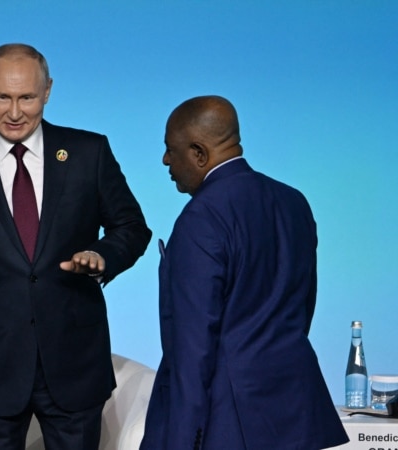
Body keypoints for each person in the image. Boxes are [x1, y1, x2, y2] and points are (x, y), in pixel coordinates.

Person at [0, 43, 151, 450]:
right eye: (2, 97)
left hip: (75, 359)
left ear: (48, 91)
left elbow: (131, 226)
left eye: (27, 98)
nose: (15, 112)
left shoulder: (88, 152)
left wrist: (102, 256)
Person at [140, 95, 348, 450]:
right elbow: (301, 310)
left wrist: (181, 442)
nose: (165, 160)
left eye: (170, 149)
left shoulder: (201, 218)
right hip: (296, 414)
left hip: (229, 423)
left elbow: (193, 350)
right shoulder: (293, 202)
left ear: (199, 153)